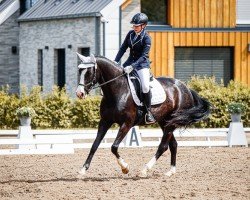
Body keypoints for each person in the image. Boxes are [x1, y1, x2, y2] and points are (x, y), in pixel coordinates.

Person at [114, 13, 155, 124]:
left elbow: (143, 56)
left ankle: (148, 112)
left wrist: (133, 66)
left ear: (144, 26)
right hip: (129, 63)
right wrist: (116, 61)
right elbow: (123, 48)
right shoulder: (130, 34)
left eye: (137, 26)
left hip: (142, 65)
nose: (134, 28)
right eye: (134, 26)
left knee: (145, 87)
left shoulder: (147, 38)